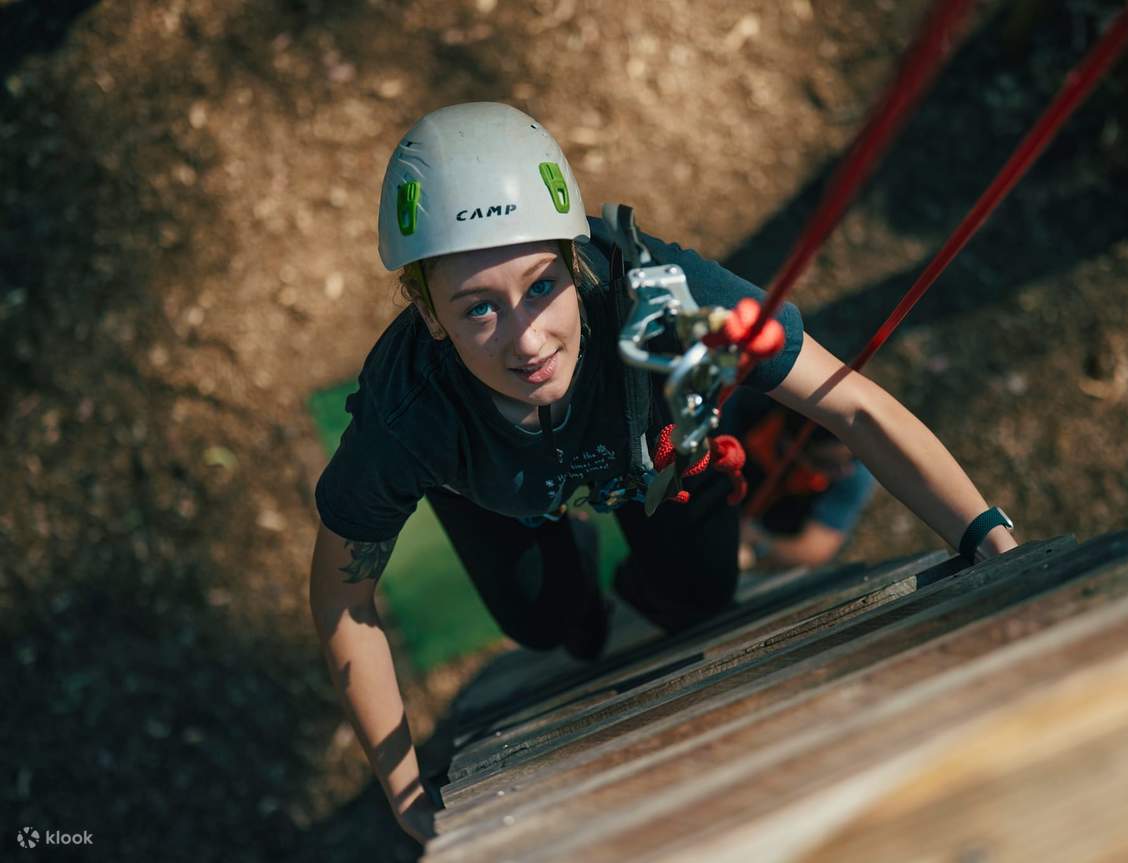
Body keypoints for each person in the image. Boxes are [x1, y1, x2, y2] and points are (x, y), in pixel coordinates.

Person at [306, 102, 1019, 844]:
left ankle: (626, 589)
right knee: (543, 619)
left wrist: (982, 529)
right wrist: (403, 785)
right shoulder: (409, 412)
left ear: (575, 257)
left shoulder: (666, 297)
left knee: (700, 589)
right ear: (428, 316)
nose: (526, 340)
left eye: (542, 285)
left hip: (656, 455)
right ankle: (576, 600)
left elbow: (852, 407)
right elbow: (341, 593)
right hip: (495, 492)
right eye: (477, 309)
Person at [717, 387, 876, 572]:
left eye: (853, 458)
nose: (844, 472)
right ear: (790, 445)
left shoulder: (855, 472)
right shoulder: (743, 408)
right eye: (823, 464)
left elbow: (815, 548)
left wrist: (759, 546)